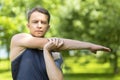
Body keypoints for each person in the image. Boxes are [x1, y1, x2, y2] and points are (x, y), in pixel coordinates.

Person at [10, 6, 111, 80]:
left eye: (43, 22)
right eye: (35, 22)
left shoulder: (56, 54)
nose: (39, 25)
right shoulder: (19, 40)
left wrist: (46, 51)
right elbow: (60, 43)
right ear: (28, 25)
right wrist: (89, 46)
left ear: (48, 27)